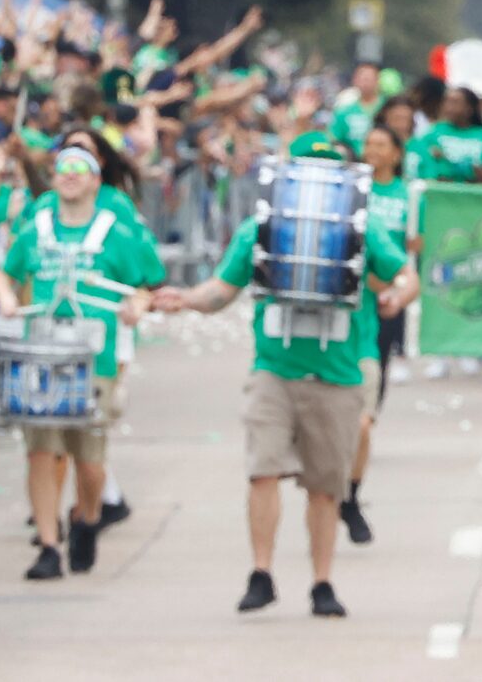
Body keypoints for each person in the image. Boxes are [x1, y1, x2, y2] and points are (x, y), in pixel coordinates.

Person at [154, 132, 415, 620]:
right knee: (263, 471)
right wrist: (184, 299)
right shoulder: (264, 228)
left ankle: (321, 582)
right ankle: (262, 573)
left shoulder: (359, 227)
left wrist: (400, 294)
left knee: (324, 486)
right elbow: (223, 289)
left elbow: (405, 273)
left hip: (336, 373)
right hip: (273, 369)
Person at [0, 137, 163, 582]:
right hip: (43, 352)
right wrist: (8, 299)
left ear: (96, 179)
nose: (68, 174)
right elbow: (5, 273)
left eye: (79, 167)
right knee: (41, 453)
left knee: (89, 461)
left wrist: (137, 307)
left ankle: (86, 518)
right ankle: (49, 544)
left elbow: (147, 284)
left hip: (95, 357)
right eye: (62, 167)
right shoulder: (37, 227)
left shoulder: (115, 230)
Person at [341, 120, 417, 546]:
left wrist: (396, 291)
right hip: (351, 308)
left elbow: (413, 251)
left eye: (381, 144)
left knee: (366, 415)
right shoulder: (350, 195)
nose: (372, 150)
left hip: (383, 301)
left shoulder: (405, 195)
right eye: (367, 143)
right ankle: (336, 489)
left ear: (396, 153)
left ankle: (349, 495)